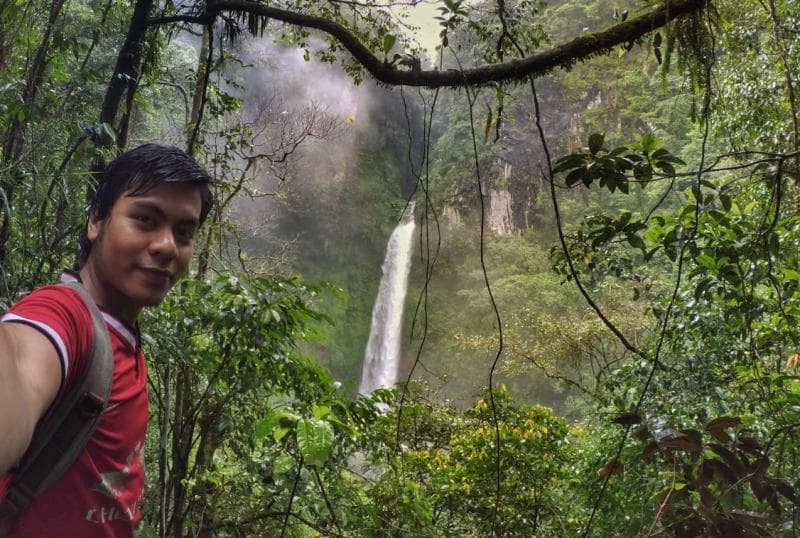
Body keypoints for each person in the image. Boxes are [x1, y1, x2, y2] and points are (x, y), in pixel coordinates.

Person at [0, 144, 212, 537]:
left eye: (184, 232)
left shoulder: (123, 334)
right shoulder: (64, 316)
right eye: (145, 219)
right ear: (96, 220)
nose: (167, 246)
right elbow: (22, 371)